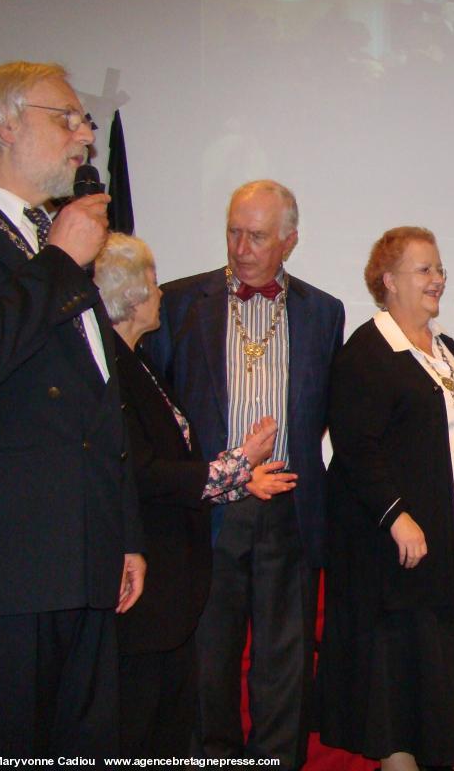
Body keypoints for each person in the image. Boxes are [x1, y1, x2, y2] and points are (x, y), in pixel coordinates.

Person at [144, 180, 344, 768]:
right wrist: (224, 476)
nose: (241, 246)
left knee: (286, 661)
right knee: (210, 655)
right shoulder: (180, 302)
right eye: (234, 231)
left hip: (290, 505)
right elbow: (155, 412)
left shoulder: (324, 311)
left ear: (290, 241)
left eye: (257, 235)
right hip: (209, 510)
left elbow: (327, 412)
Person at [0, 60, 144, 757]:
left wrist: (125, 532)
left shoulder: (51, 242)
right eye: (68, 118)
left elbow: (97, 411)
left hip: (82, 551)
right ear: (4, 125)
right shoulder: (40, 249)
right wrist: (56, 263)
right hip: (12, 562)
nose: (85, 136)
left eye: (84, 120)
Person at [317, 226, 454, 771]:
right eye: (424, 270)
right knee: (403, 653)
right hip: (399, 541)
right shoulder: (369, 351)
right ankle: (399, 760)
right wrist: (396, 515)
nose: (438, 280)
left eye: (440, 269)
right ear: (388, 280)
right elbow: (356, 448)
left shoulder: (443, 346)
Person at [94, 233, 297, 757]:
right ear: (133, 296)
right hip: (146, 568)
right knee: (145, 717)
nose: (161, 293)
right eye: (153, 284)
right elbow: (145, 472)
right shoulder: (111, 369)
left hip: (170, 566)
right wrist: (238, 463)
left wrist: (239, 472)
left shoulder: (135, 362)